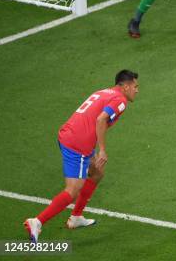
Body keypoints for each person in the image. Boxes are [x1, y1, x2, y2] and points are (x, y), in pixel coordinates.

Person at [24, 70, 139, 243]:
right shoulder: (120, 100)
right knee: (72, 190)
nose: (137, 90)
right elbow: (101, 120)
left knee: (97, 172)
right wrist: (102, 149)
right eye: (135, 86)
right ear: (125, 86)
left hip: (68, 134)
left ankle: (76, 217)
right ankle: (38, 222)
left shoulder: (103, 91)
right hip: (78, 144)